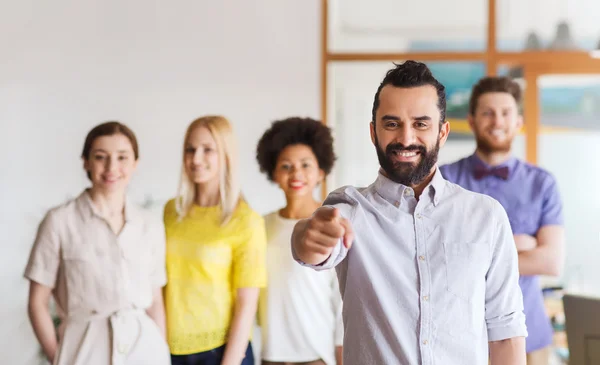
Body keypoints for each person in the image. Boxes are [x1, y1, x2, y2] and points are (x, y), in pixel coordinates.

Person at [290, 61, 528, 365]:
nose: (405, 138)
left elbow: (505, 331)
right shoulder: (349, 208)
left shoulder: (487, 216)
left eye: (420, 124)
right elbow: (311, 242)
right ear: (373, 132)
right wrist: (305, 236)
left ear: (442, 132)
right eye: (391, 124)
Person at [439, 76, 565, 365]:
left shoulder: (542, 183)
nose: (497, 121)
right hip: (460, 336)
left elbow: (551, 262)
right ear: (471, 120)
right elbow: (439, 257)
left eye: (506, 113)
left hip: (530, 336)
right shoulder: (444, 180)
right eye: (487, 112)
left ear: (518, 121)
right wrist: (520, 245)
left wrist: (476, 252)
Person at [25, 121, 170, 365]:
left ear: (135, 163)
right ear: (86, 162)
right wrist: (58, 356)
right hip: (84, 349)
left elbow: (155, 301)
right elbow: (37, 302)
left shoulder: (150, 225)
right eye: (101, 157)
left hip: (144, 350)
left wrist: (161, 351)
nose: (112, 167)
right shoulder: (60, 221)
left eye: (122, 157)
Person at [163, 115, 267, 365]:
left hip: (222, 352)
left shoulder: (245, 220)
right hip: (171, 349)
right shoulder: (171, 212)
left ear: (226, 155)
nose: (196, 158)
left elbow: (247, 304)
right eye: (190, 149)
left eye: (207, 149)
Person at [255, 117, 344, 365]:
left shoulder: (331, 223)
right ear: (274, 173)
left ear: (320, 173)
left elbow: (342, 303)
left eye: (305, 165)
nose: (296, 173)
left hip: (316, 357)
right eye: (286, 166)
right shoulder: (259, 226)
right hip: (269, 356)